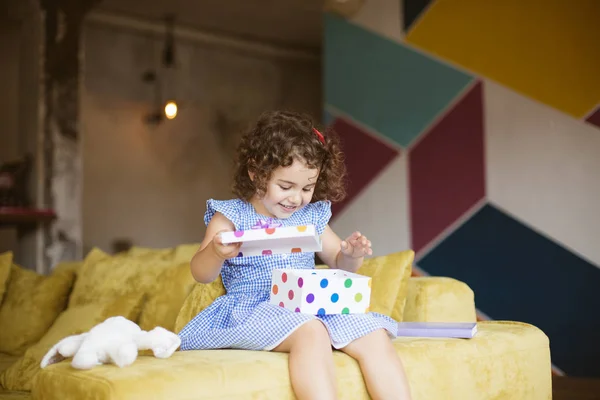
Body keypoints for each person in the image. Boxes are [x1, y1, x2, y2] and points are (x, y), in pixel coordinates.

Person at [178, 110, 411, 400]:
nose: (296, 198)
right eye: (285, 186)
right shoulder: (231, 216)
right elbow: (201, 274)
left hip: (308, 304)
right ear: (256, 173)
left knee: (373, 334)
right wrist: (215, 251)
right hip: (254, 308)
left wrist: (351, 254)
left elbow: (340, 262)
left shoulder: (309, 217)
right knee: (311, 331)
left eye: (307, 188)